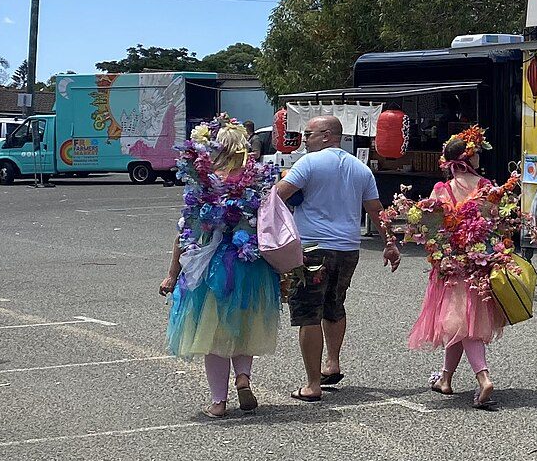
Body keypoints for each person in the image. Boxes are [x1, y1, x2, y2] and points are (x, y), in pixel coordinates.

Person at [162, 117, 280, 418]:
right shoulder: (257, 182)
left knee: (211, 335)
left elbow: (185, 232)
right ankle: (243, 375)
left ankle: (218, 401)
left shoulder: (203, 185)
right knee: (244, 325)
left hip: (211, 268)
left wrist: (172, 274)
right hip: (250, 264)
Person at [273, 114, 397, 402]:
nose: (304, 140)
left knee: (308, 313)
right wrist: (390, 243)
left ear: (327, 134)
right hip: (348, 248)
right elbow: (377, 210)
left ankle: (313, 384)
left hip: (313, 249)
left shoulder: (308, 163)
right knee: (334, 305)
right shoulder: (360, 168)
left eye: (308, 134)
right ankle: (333, 363)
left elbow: (278, 195)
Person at [408, 135, 510, 409]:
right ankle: (446, 379)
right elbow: (497, 221)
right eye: (475, 153)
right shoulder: (487, 188)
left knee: (462, 325)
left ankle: (483, 377)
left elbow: (427, 228)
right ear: (466, 160)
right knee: (462, 324)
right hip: (479, 263)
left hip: (450, 265)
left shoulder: (442, 190)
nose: (479, 157)